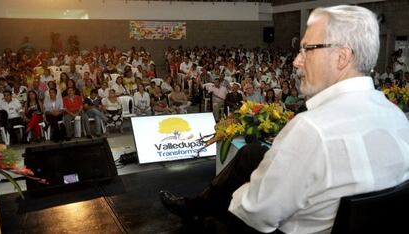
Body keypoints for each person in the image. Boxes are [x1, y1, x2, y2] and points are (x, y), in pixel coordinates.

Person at [160, 5, 409, 234]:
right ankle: (196, 205)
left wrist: (247, 189)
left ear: (341, 58)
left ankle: (198, 215)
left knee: (220, 219)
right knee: (252, 153)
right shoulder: (396, 116)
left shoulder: (311, 128)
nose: (296, 60)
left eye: (307, 49)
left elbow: (255, 213)